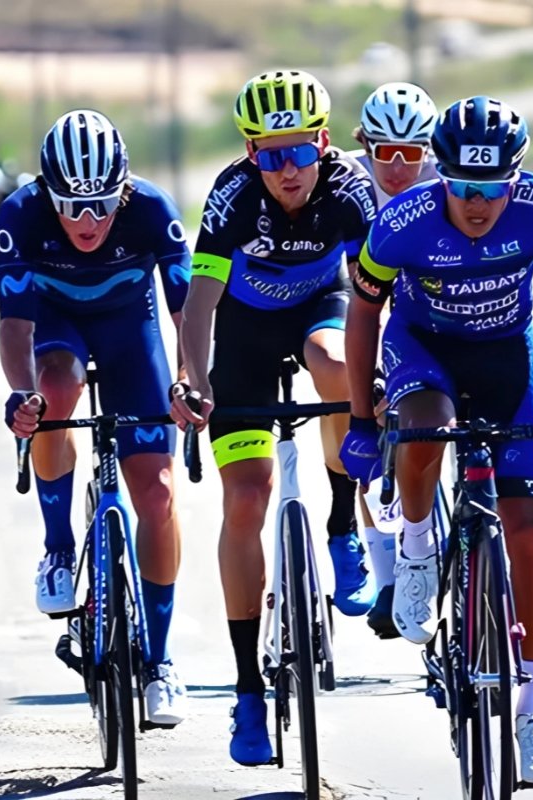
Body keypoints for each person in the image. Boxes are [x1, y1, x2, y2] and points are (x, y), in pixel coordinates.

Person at [341, 96, 533, 787]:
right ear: (443, 175)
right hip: (423, 348)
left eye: (492, 190)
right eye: (463, 188)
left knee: (530, 532)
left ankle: (531, 712)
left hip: (505, 355)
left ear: (514, 180)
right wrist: (364, 419)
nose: (478, 204)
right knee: (427, 427)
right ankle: (419, 544)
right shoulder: (402, 220)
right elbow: (364, 314)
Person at [168, 70, 377, 766]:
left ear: (323, 141)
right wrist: (191, 382)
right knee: (246, 497)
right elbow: (199, 302)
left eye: (299, 151)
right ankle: (249, 689)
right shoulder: (231, 196)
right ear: (250, 153)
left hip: (322, 310)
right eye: (268, 153)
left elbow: (382, 297)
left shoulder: (351, 190)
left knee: (335, 361)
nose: (286, 169)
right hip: (247, 334)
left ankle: (343, 523)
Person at [0, 109, 192, 725]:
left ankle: (160, 661)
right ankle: (59, 547)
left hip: (131, 330)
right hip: (57, 327)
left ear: (124, 189)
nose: (89, 221)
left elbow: (187, 314)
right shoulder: (21, 214)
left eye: (102, 205)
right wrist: (21, 395)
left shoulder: (153, 210)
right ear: (46, 191)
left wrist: (190, 380)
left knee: (157, 496)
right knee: (53, 389)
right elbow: (14, 325)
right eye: (72, 207)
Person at [347, 80, 439, 639]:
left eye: (411, 154)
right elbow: (349, 285)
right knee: (375, 423)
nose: (398, 167)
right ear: (367, 147)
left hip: (432, 307)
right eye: (386, 153)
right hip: (373, 306)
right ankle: (387, 575)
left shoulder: (445, 179)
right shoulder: (353, 185)